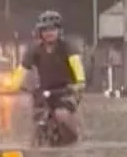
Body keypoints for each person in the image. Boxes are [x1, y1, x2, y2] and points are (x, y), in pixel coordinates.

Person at [8, 11, 86, 144]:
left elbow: (76, 64)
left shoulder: (67, 47)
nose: (48, 33)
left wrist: (79, 82)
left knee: (62, 114)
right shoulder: (35, 50)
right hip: (44, 91)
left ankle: (73, 138)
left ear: (59, 31)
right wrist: (13, 86)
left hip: (66, 90)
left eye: (52, 29)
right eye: (45, 30)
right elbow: (22, 68)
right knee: (38, 117)